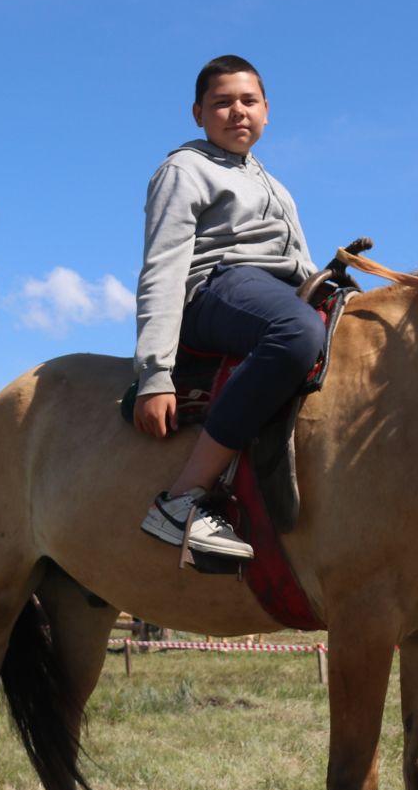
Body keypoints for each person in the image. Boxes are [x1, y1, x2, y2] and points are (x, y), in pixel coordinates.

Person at [131, 54, 321, 563]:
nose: (237, 111)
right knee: (297, 332)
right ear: (198, 113)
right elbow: (163, 268)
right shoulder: (184, 168)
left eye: (248, 101)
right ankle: (182, 500)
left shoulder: (275, 185)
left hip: (274, 292)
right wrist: (154, 373)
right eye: (222, 103)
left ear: (266, 111)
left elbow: (301, 265)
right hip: (214, 290)